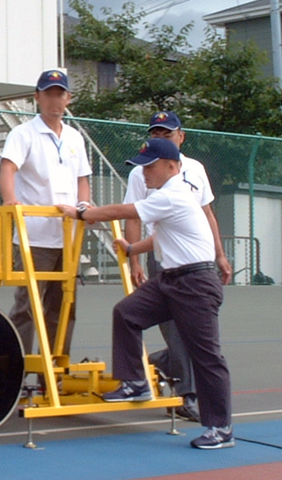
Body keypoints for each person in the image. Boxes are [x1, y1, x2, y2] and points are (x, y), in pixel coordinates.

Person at [57, 138, 234, 449]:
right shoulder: (168, 197)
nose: (143, 172)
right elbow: (165, 237)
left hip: (195, 283)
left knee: (205, 356)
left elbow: (124, 211)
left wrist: (81, 213)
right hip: (170, 280)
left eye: (149, 166)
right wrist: (133, 249)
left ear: (172, 166)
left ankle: (221, 428)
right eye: (141, 166)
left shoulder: (174, 194)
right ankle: (136, 382)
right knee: (127, 313)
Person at [123, 111, 233, 422]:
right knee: (175, 332)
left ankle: (157, 364)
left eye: (166, 134)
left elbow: (207, 214)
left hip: (198, 263)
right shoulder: (141, 173)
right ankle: (186, 394)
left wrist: (220, 254)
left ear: (181, 137)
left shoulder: (195, 170)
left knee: (194, 336)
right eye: (154, 134)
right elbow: (132, 215)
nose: (160, 138)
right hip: (165, 262)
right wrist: (134, 259)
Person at [0, 69, 92, 360]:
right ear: (37, 97)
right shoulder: (23, 133)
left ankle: (56, 370)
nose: (55, 100)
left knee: (64, 306)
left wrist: (84, 207)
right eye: (48, 93)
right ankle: (18, 369)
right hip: (34, 235)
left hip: (67, 235)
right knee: (27, 305)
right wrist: (11, 199)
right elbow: (7, 168)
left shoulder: (76, 137)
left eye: (59, 93)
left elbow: (82, 180)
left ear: (68, 98)